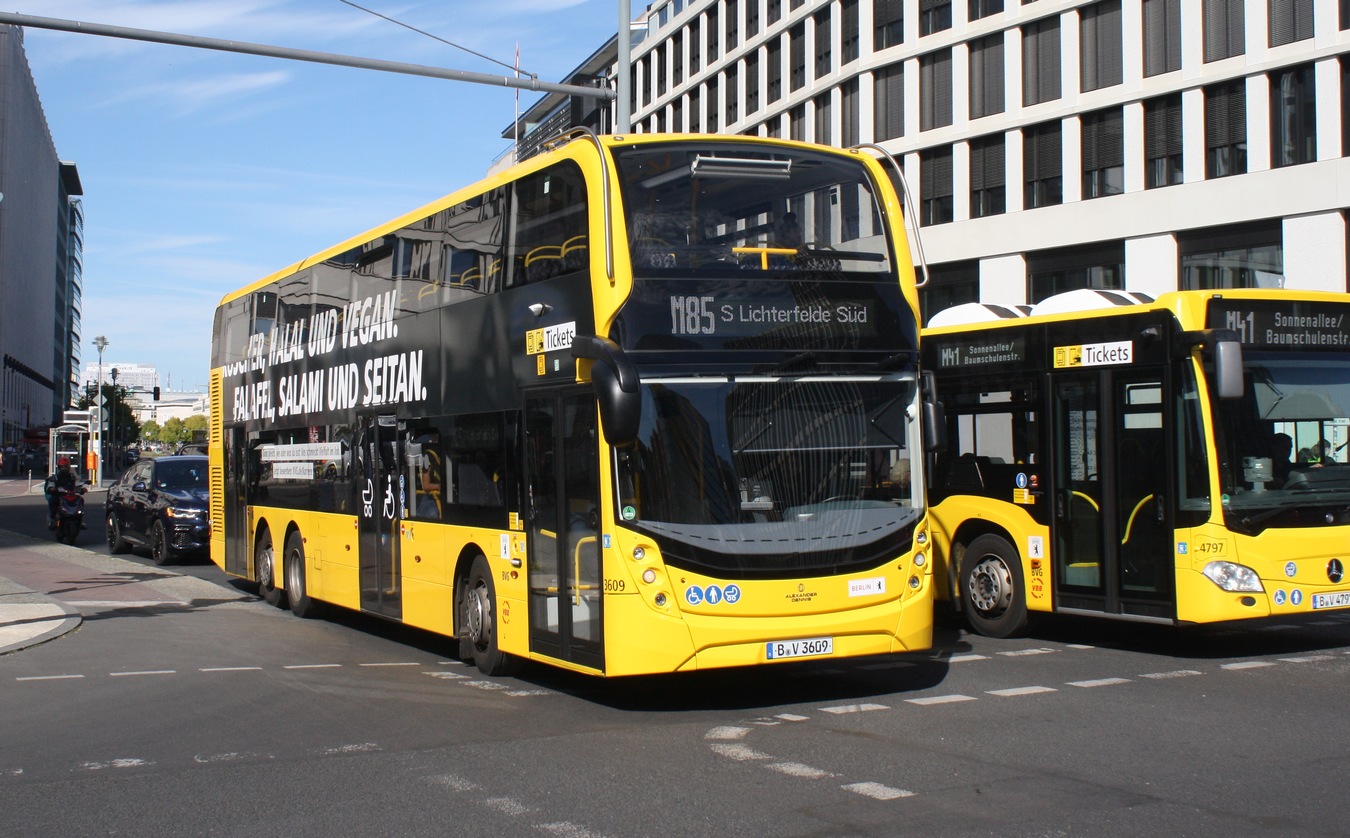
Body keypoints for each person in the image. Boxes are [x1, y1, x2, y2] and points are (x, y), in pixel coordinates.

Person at [44, 456, 82, 529]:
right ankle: (52, 518)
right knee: (53, 500)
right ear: (59, 467)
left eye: (66, 467)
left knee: (80, 500)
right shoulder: (55, 477)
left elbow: (78, 483)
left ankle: (79, 519)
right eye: (62, 467)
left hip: (70, 495)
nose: (64, 468)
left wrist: (81, 489)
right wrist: (52, 488)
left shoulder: (72, 476)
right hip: (60, 495)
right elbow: (50, 485)